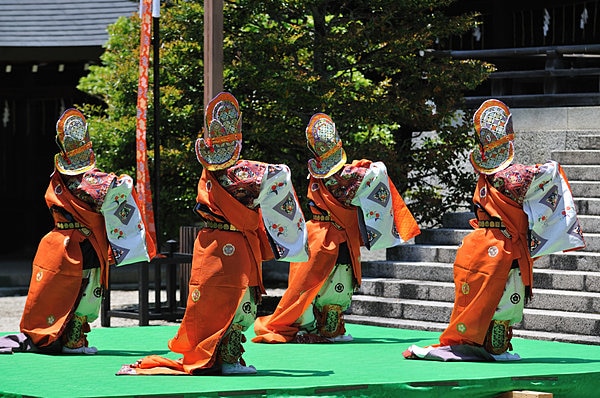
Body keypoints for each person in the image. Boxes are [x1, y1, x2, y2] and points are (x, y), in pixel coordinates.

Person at [118, 92, 309, 376]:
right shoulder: (241, 173)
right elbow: (279, 174)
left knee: (213, 303)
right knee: (235, 301)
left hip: (211, 243)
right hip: (232, 245)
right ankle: (228, 361)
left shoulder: (211, 174)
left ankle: (221, 358)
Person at [403, 99, 586, 361]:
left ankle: (472, 341)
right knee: (506, 299)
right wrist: (553, 166)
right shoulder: (510, 177)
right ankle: (494, 349)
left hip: (478, 244)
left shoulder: (485, 178)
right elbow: (545, 173)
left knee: (475, 299)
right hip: (503, 247)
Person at [252, 112, 421, 344]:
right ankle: (328, 329)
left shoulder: (321, 176)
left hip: (317, 234)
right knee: (335, 283)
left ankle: (316, 326)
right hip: (334, 237)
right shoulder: (347, 175)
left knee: (310, 286)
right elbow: (377, 172)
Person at [0, 108, 156, 355]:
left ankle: (65, 338)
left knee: (59, 293)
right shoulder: (87, 180)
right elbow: (113, 187)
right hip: (81, 244)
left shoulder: (59, 178)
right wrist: (125, 180)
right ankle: (73, 341)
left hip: (60, 241)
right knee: (86, 291)